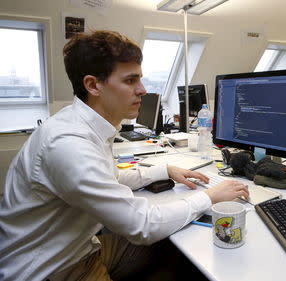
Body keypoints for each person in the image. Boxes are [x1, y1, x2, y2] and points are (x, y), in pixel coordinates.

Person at [0, 30, 249, 281]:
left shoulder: (83, 125)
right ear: (93, 85)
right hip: (51, 268)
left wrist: (163, 171)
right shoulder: (68, 145)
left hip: (80, 247)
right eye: (130, 81)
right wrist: (209, 197)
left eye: (139, 79)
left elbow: (107, 179)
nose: (142, 90)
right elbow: (142, 225)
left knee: (176, 249)